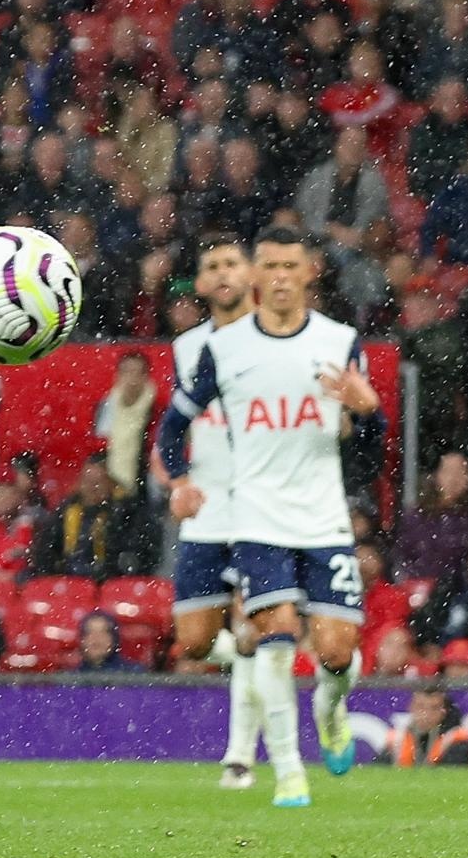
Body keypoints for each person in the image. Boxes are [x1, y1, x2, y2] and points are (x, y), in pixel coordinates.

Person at [162, 227, 386, 808]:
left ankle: (331, 712)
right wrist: (180, 480)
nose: (282, 277)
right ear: (256, 277)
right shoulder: (225, 351)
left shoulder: (339, 342)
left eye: (292, 265)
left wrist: (371, 415)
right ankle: (288, 773)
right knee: (277, 639)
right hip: (255, 519)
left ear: (310, 271)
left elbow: (367, 454)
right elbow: (173, 423)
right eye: (272, 267)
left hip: (323, 518)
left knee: (336, 653)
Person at [165, 231, 266, 790]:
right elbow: (176, 426)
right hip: (206, 500)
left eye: (233, 262)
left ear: (249, 274)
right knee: (195, 643)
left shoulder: (274, 339)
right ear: (201, 284)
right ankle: (266, 660)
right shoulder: (187, 348)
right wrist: (174, 479)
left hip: (260, 499)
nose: (223, 273)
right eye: (213, 266)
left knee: (251, 628)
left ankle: (240, 755)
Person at [374, 683, 468, 767]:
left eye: (434, 708)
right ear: (411, 707)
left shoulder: (456, 740)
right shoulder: (398, 739)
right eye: (420, 707)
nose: (426, 714)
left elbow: (453, 776)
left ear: (443, 712)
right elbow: (378, 771)